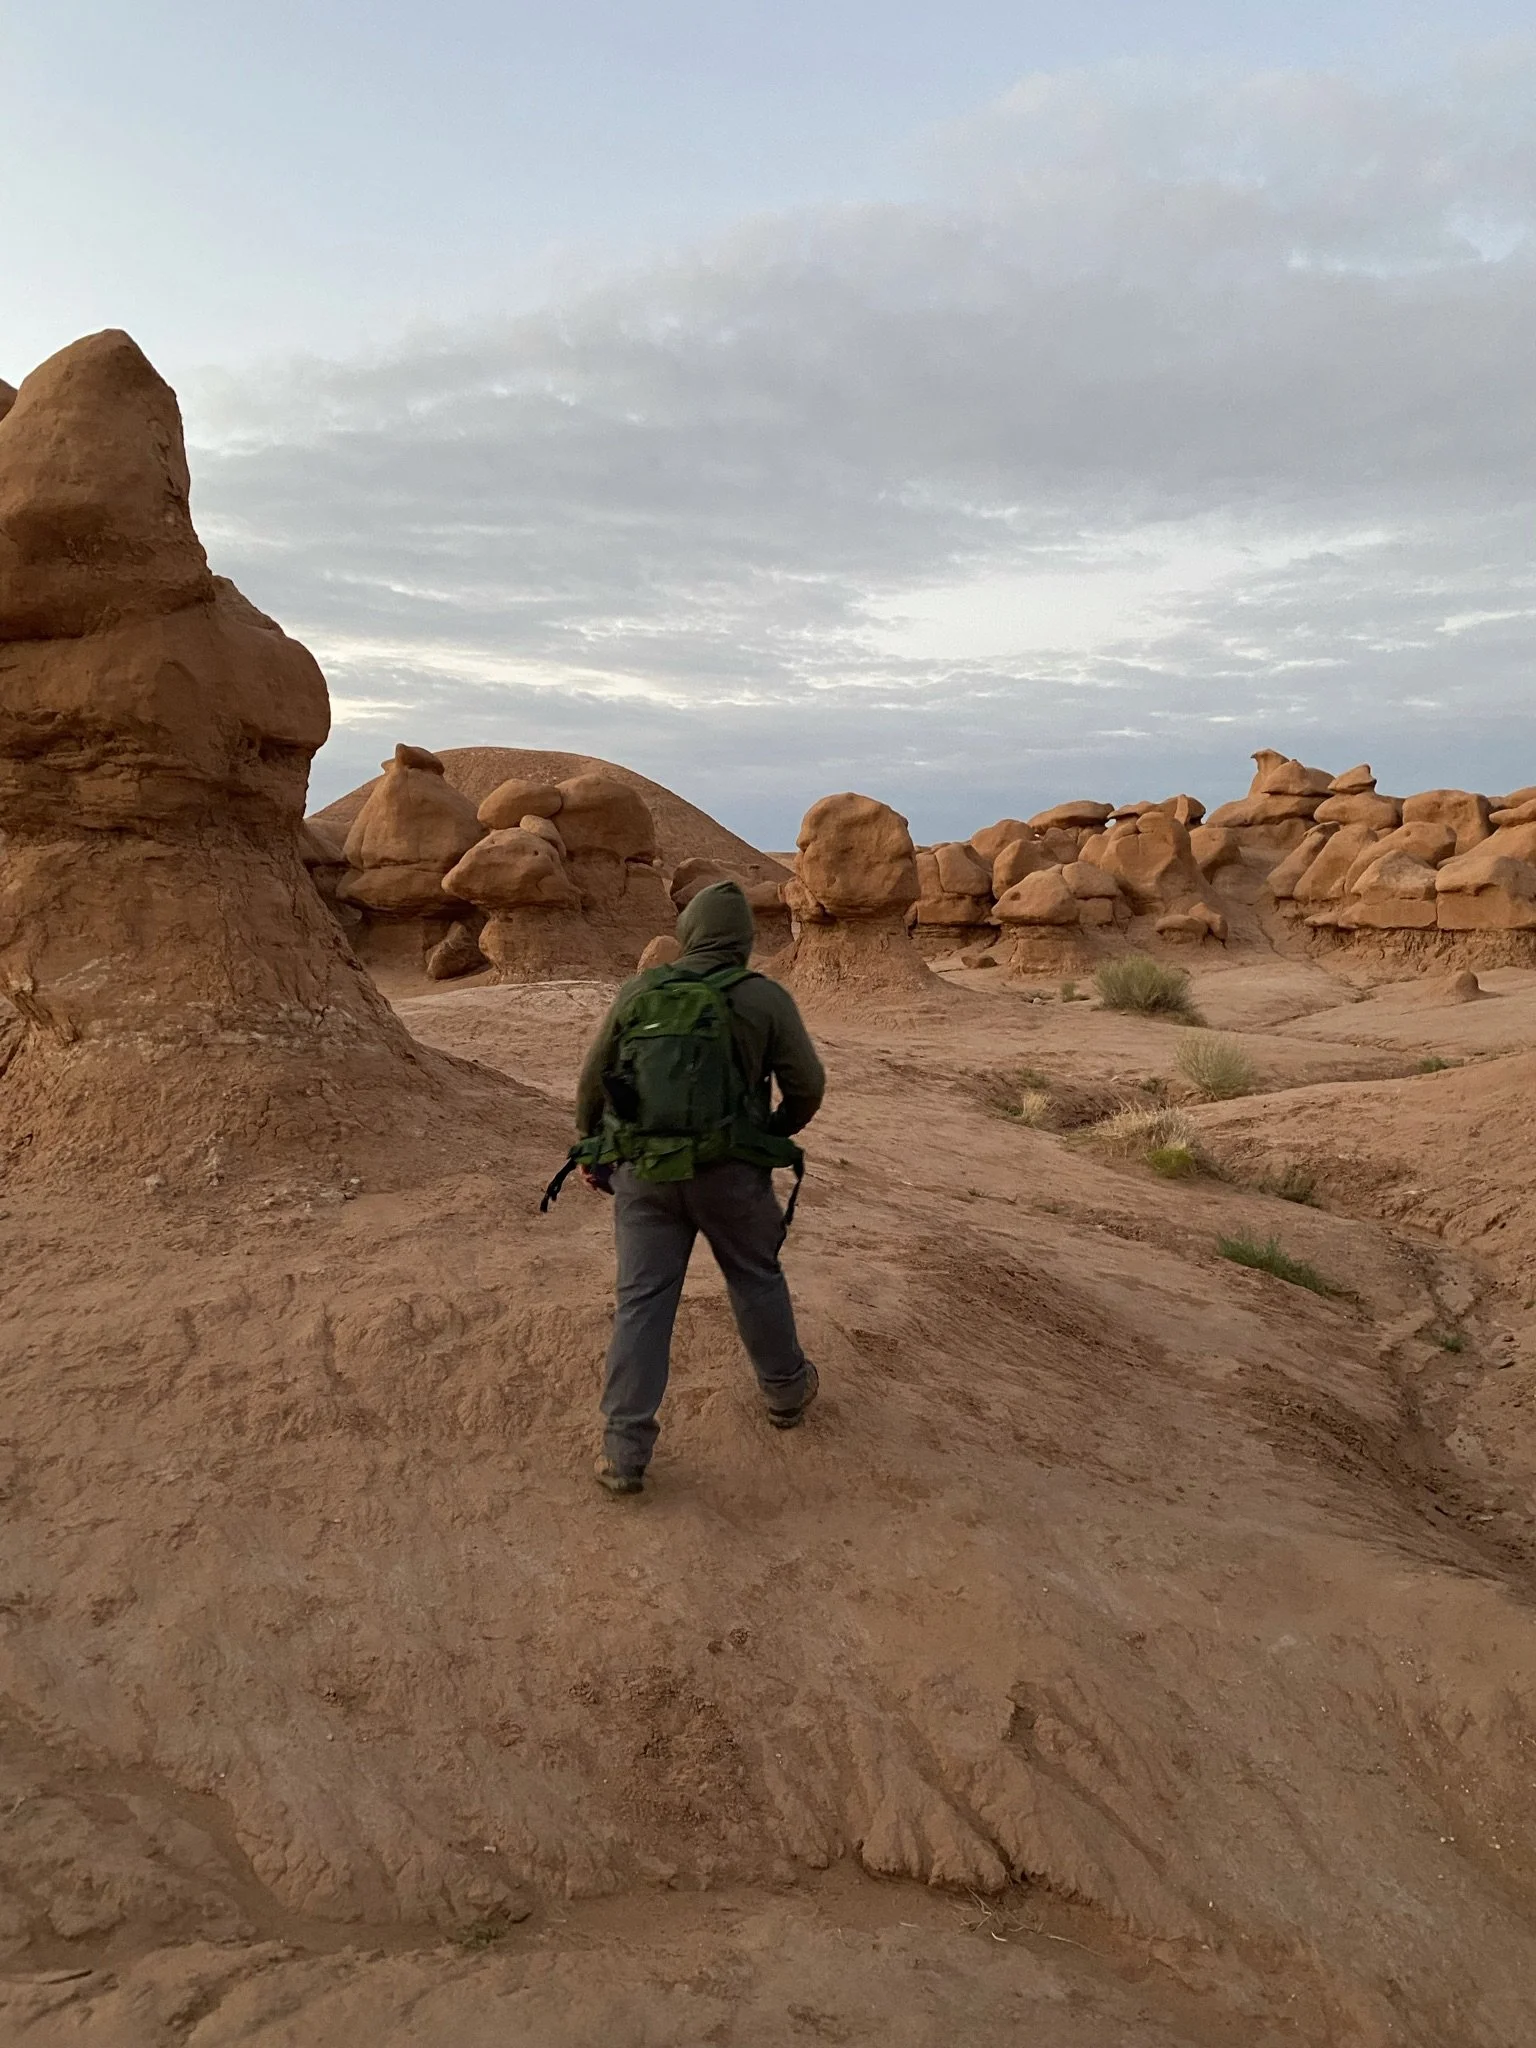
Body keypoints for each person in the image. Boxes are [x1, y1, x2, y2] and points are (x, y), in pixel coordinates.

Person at [572, 879, 825, 1495]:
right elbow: (807, 1086)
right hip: (730, 1175)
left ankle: (624, 1450)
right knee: (754, 1277)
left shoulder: (641, 990)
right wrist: (764, 1132)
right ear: (742, 940)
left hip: (645, 1177)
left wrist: (591, 1148)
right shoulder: (764, 998)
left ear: (686, 933)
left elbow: (593, 1080)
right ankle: (785, 1393)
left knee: (643, 1302)